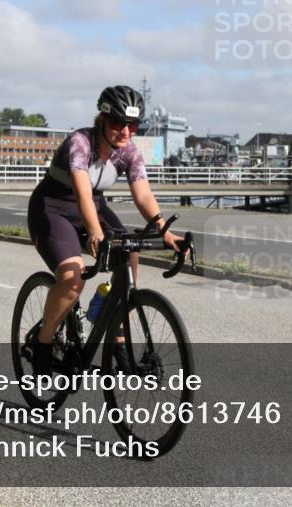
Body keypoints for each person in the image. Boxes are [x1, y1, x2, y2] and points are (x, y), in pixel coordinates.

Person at [26, 85, 182, 375]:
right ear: (102, 120)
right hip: (52, 208)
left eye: (132, 125)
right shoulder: (81, 142)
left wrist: (165, 231)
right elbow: (83, 193)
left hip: (94, 208)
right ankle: (43, 345)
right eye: (117, 124)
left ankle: (119, 342)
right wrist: (96, 233)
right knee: (73, 278)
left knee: (130, 253)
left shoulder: (129, 152)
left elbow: (144, 196)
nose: (125, 132)